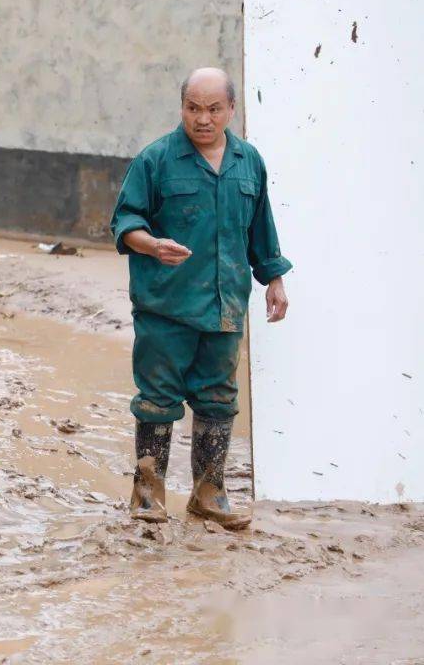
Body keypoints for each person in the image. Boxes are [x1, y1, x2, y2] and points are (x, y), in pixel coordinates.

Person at [110, 67, 291, 529]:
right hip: (165, 307)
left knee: (218, 398)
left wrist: (273, 279)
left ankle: (209, 493)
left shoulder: (249, 162)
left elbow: (260, 227)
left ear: (231, 109)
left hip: (224, 307)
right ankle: (148, 495)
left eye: (213, 109)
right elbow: (125, 221)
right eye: (193, 108)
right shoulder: (156, 160)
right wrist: (151, 244)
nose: (203, 118)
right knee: (157, 399)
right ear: (182, 108)